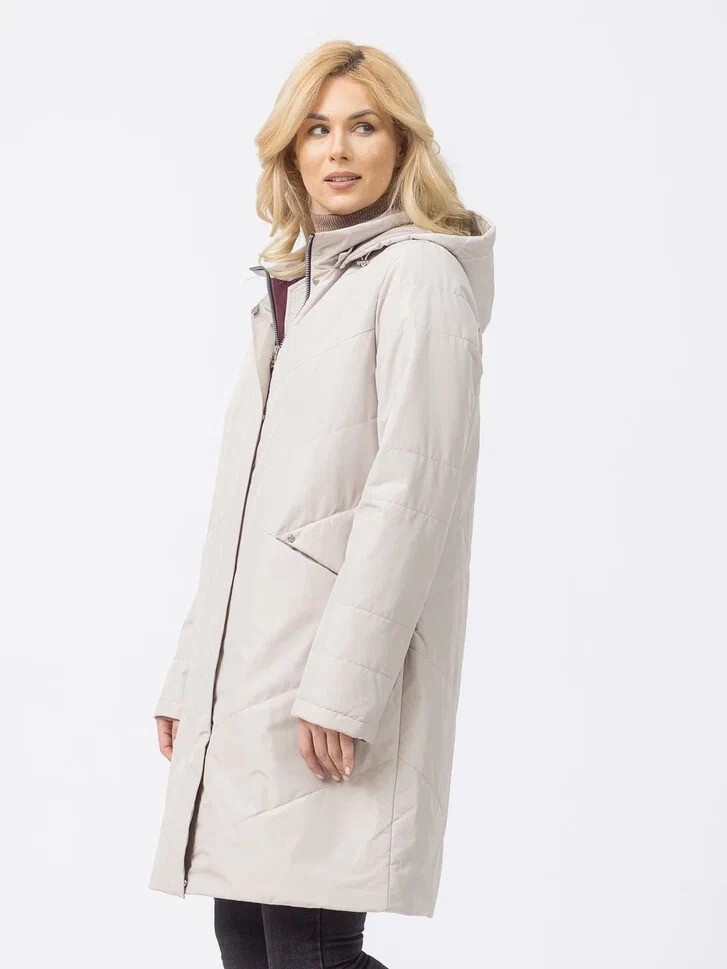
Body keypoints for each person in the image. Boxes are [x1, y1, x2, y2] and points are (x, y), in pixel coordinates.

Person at [149, 39, 496, 969]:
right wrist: (191, 674)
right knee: (248, 937)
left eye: (363, 126)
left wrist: (344, 687)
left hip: (326, 678)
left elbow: (411, 497)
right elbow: (241, 517)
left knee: (310, 949)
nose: (337, 149)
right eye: (315, 129)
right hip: (254, 675)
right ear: (290, 151)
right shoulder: (295, 291)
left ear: (401, 145)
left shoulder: (418, 278)